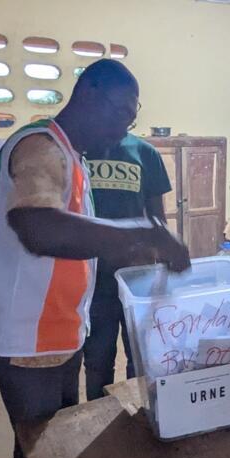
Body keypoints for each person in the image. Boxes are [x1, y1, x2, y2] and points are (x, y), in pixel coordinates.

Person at [0, 59, 189, 458]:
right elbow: (38, 227)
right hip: (27, 340)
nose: (122, 129)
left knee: (52, 446)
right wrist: (142, 234)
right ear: (88, 93)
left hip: (57, 332)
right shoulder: (41, 146)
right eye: (120, 114)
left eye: (131, 120)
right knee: (35, 452)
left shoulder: (74, 156)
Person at [82, 133, 172, 401]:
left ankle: (140, 413)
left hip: (138, 277)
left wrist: (165, 262)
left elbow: (157, 217)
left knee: (140, 357)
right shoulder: (81, 150)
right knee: (97, 359)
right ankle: (98, 418)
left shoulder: (145, 153)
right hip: (94, 277)